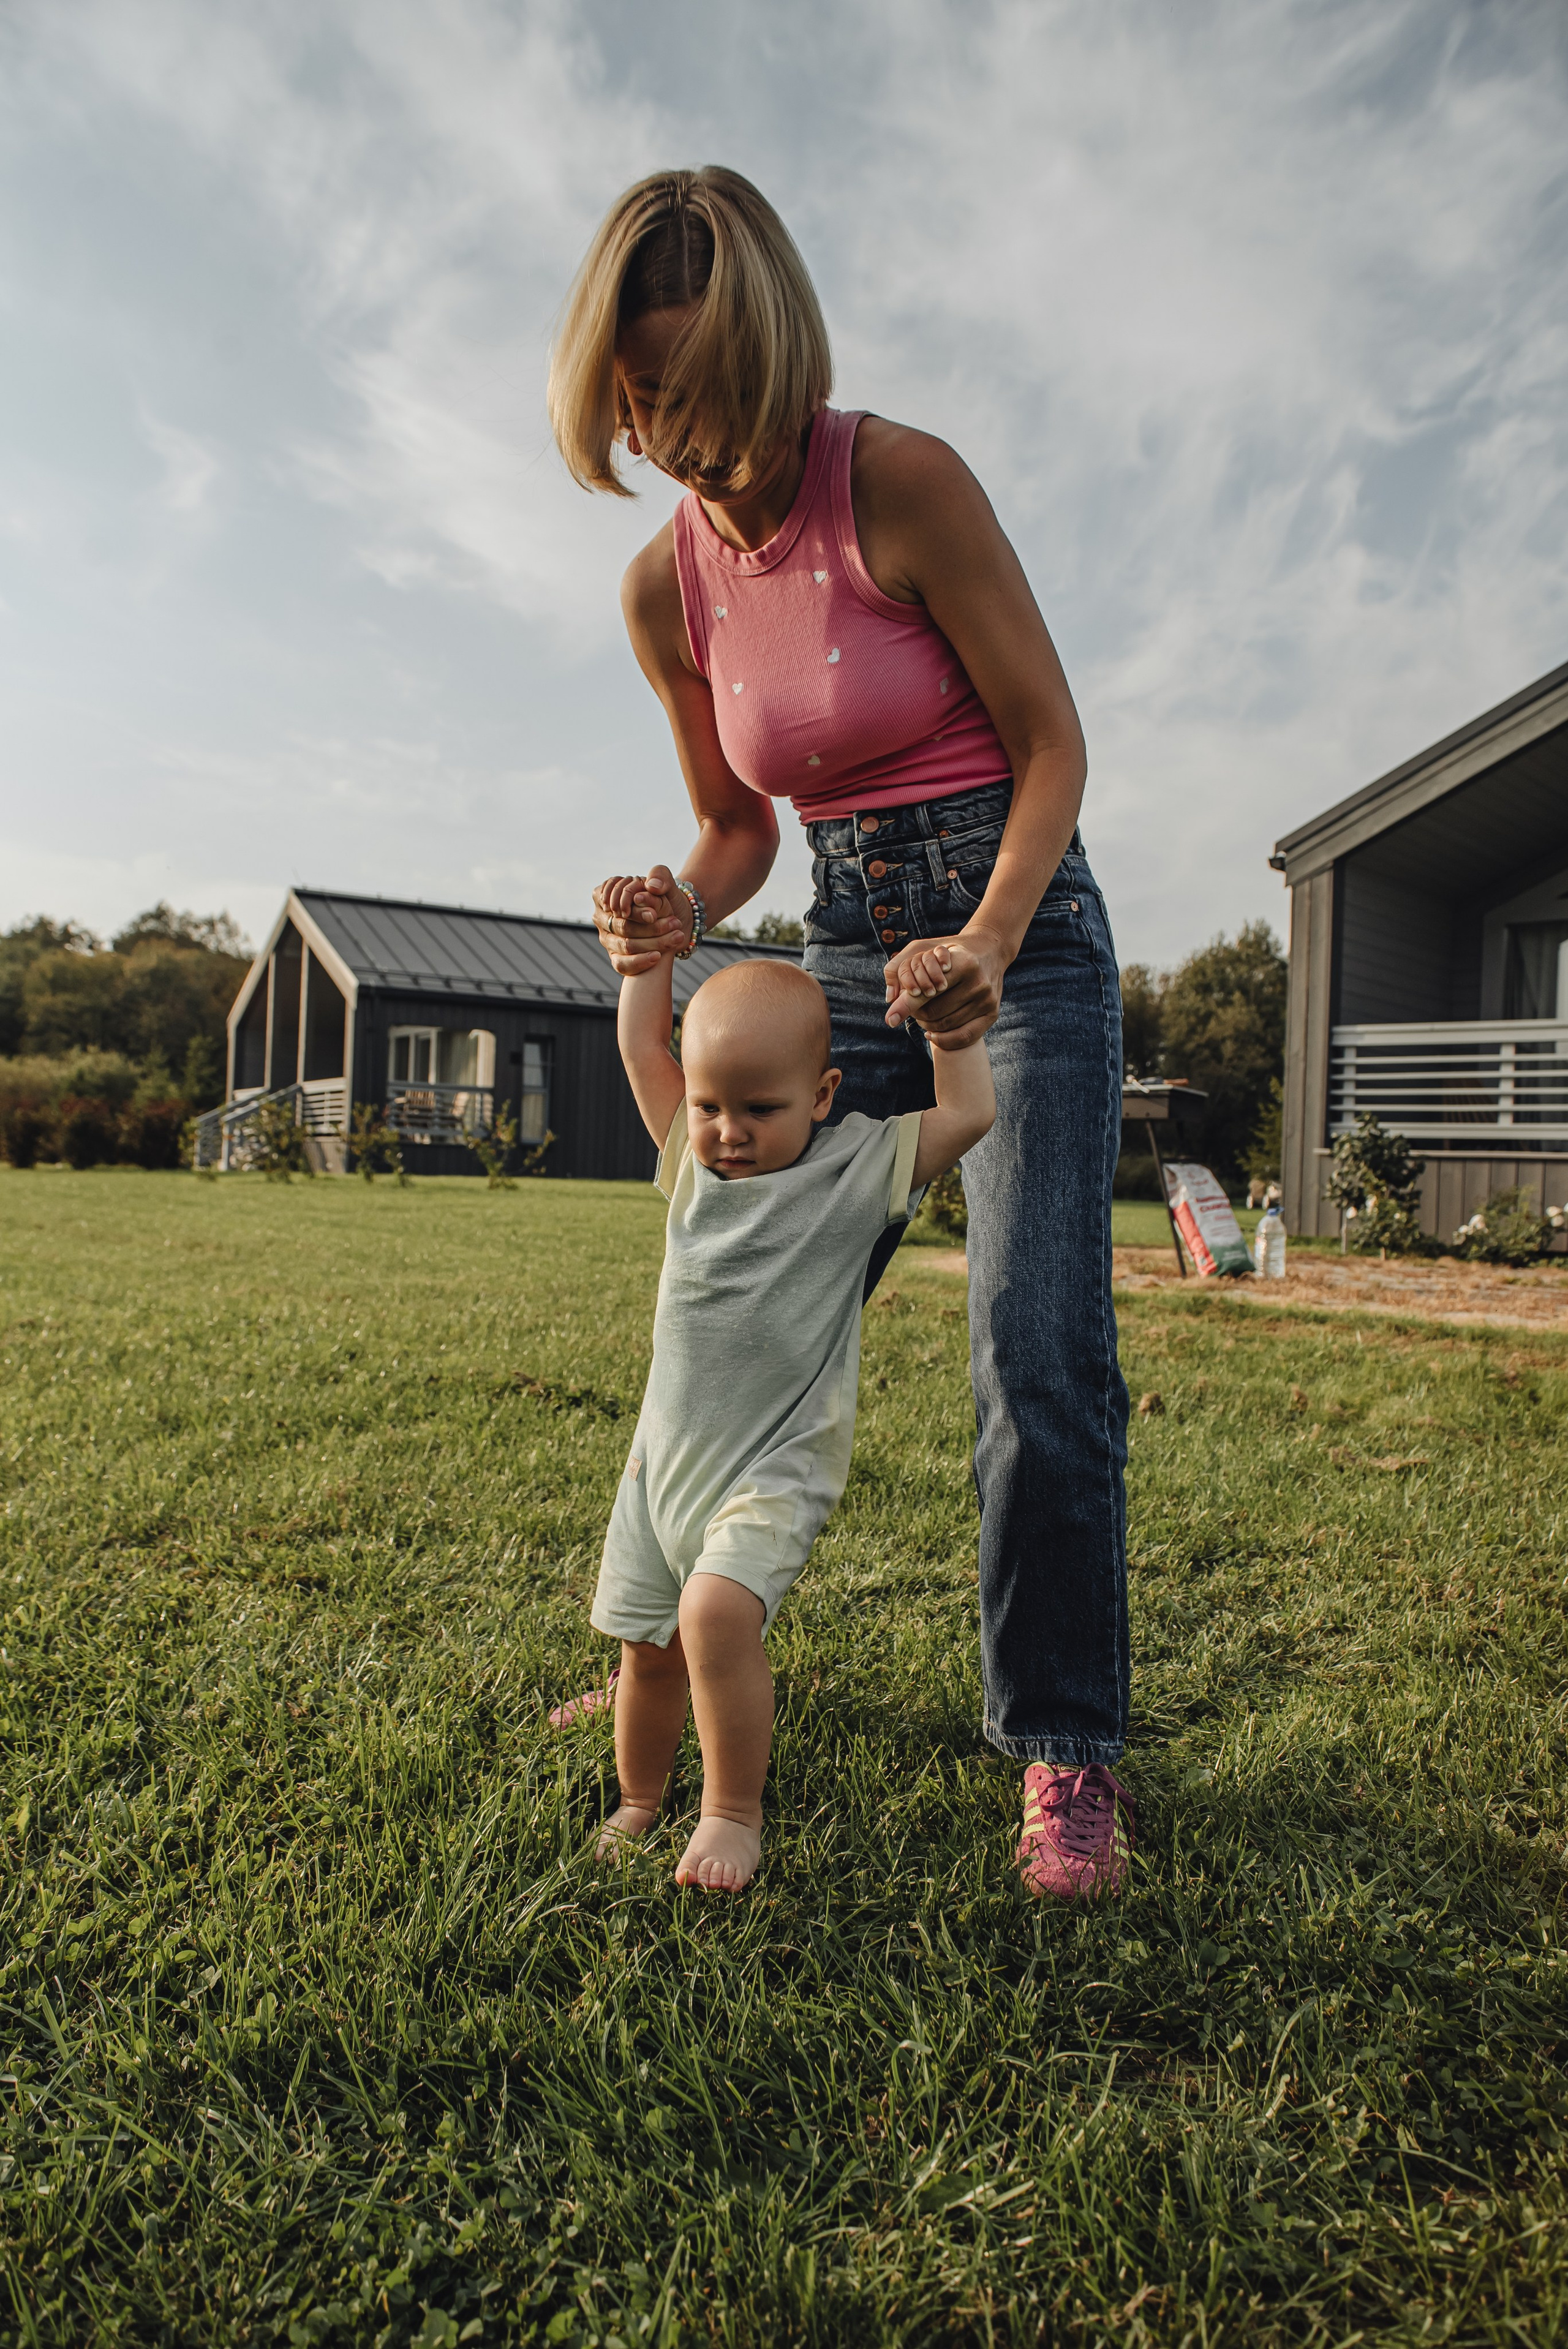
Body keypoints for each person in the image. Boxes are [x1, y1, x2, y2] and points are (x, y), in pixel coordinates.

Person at [548, 166, 1135, 1901]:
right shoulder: (668, 585)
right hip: (842, 930)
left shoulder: (899, 479)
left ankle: (1064, 1752)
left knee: (1034, 1354)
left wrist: (988, 942)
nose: (668, 433)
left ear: (771, 343)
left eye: (697, 390)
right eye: (637, 397)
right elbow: (738, 826)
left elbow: (1052, 745)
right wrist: (673, 905)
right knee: (733, 1281)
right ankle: (660, 1638)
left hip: (1018, 938)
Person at [585, 943, 992, 1891]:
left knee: (714, 1615)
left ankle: (730, 1813)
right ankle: (641, 1799)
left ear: (822, 1093)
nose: (727, 1131)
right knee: (646, 1653)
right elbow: (643, 1046)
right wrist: (646, 962)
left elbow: (969, 1113)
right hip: (662, 1474)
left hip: (774, 1466)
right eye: (710, 1105)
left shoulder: (858, 1169)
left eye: (759, 1109)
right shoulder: (689, 1163)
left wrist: (951, 1031)